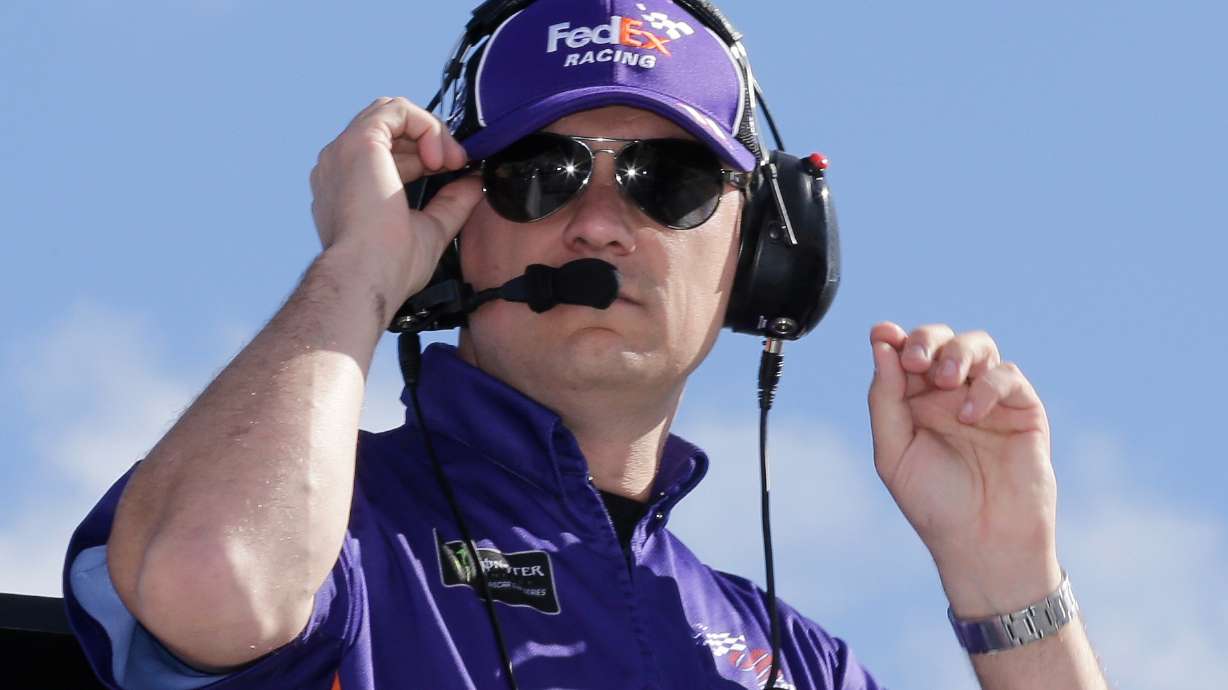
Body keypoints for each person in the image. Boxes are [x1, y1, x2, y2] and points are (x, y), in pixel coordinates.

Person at [63, 1, 1110, 688]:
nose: (600, 223)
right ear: (444, 226)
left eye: (672, 182)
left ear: (762, 252)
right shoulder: (331, 530)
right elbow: (211, 581)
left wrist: (1007, 579)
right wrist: (354, 274)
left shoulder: (792, 661)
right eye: (541, 173)